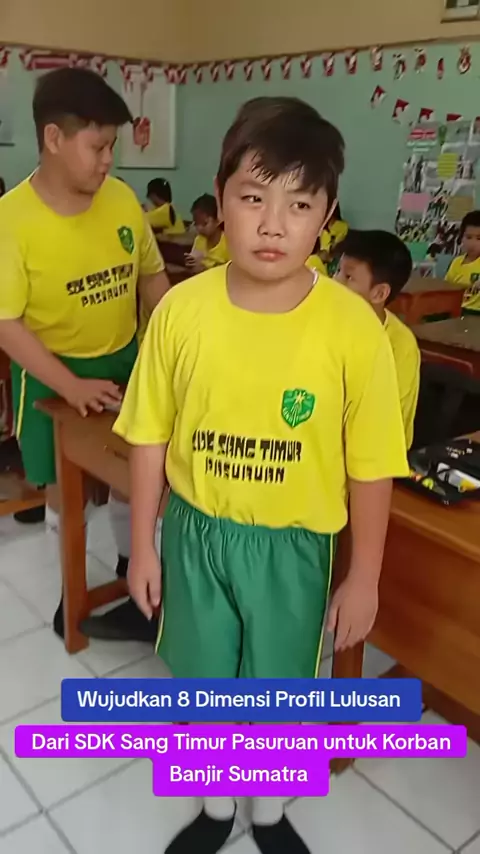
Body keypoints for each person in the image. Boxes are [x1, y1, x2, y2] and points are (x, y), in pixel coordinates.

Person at [114, 97, 408, 854]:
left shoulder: (354, 328)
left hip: (294, 548)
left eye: (299, 204)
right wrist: (142, 544)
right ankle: (217, 809)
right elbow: (147, 435)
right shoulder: (181, 310)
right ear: (222, 197)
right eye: (253, 198)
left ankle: (270, 812)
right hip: (196, 535)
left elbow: (373, 463)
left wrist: (365, 576)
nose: (273, 225)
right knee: (203, 687)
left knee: (281, 694)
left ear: (327, 216)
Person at [0, 67, 170, 641]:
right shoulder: (11, 220)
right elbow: (5, 323)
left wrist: (169, 346)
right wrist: (70, 386)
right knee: (64, 487)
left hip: (124, 358)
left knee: (131, 473)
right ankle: (69, 588)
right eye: (97, 147)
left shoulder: (120, 199)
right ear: (53, 138)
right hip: (53, 372)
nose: (107, 162)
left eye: (112, 147)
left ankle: (130, 568)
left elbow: (152, 278)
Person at [335, 230, 420, 450]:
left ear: (379, 293)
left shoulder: (400, 346)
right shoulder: (326, 325)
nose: (335, 282)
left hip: (372, 454)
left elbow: (387, 427)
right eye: (337, 271)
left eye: (348, 277)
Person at [445, 210, 480, 314]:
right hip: (456, 310)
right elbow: (446, 288)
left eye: (479, 238)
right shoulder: (456, 262)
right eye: (468, 237)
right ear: (461, 237)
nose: (472, 243)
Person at [185, 193, 230, 271]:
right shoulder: (199, 240)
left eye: (204, 223)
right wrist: (191, 264)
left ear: (218, 220)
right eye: (196, 223)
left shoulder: (228, 243)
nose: (199, 228)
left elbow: (231, 273)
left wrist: (204, 268)